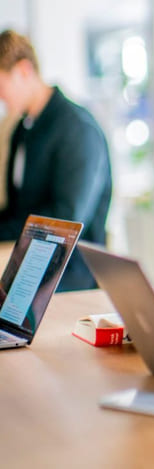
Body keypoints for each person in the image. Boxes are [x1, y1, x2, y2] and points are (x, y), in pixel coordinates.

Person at [0, 29, 112, 291]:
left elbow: (65, 221)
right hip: (29, 267)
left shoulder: (77, 129)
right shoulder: (24, 130)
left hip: (71, 277)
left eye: (2, 85)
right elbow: (19, 211)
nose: (1, 97)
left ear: (24, 70)